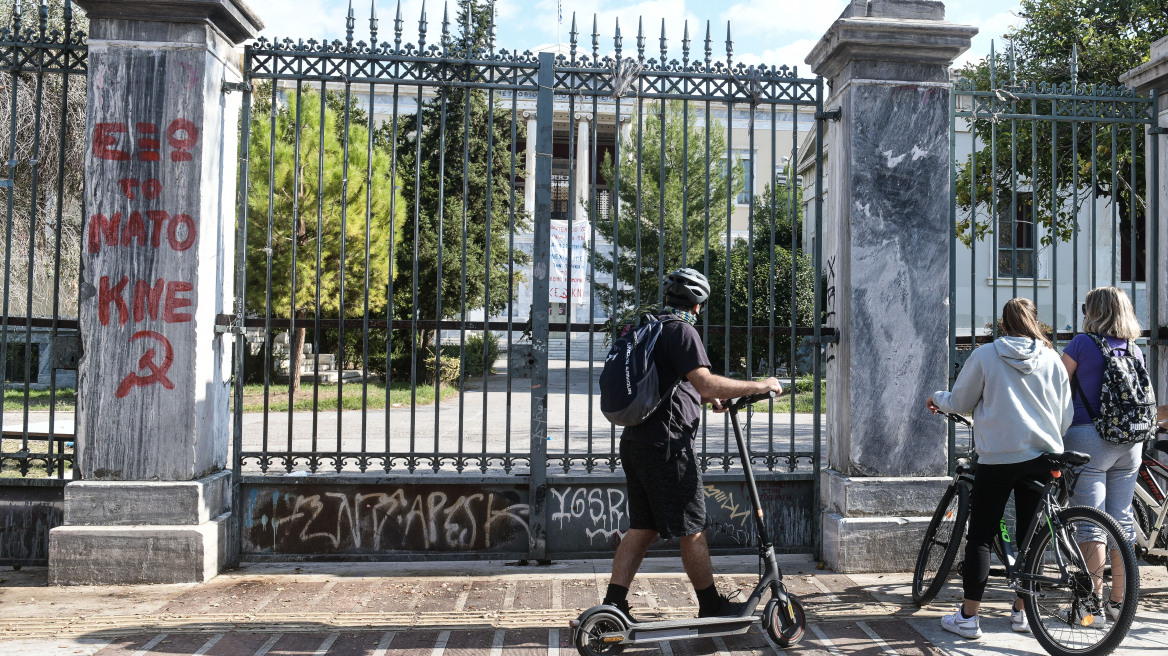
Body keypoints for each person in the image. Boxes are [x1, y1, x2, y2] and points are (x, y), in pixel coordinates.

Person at [601, 267, 783, 620]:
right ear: (698, 305)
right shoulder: (682, 331)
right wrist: (759, 385)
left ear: (668, 297)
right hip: (667, 447)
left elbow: (669, 385)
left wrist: (703, 397)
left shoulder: (650, 328)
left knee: (642, 528)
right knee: (693, 529)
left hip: (637, 442)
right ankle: (711, 605)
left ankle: (613, 605)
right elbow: (705, 382)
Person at [926, 297, 1072, 639]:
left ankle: (969, 617)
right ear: (1035, 322)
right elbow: (1065, 414)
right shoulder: (1052, 358)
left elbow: (960, 401)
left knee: (980, 534)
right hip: (1042, 457)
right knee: (1030, 537)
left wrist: (937, 398)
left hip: (997, 458)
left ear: (1003, 325)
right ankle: (1023, 612)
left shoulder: (986, 355)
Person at [1060, 286, 1148, 623]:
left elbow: (1057, 386)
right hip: (1130, 443)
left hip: (1089, 439)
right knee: (1121, 522)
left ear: (1093, 311)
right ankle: (1119, 603)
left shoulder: (1082, 344)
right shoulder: (1134, 349)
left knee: (1090, 524)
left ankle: (1090, 605)